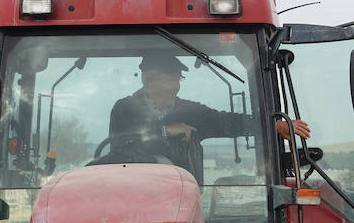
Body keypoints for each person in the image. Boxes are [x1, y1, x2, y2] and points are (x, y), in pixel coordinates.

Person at [107, 51, 310, 175]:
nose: (176, 87)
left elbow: (227, 121)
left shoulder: (190, 112)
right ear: (149, 80)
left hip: (185, 196)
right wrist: (165, 131)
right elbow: (121, 145)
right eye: (170, 80)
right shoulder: (125, 109)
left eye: (178, 80)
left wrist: (272, 124)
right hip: (135, 193)